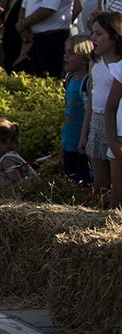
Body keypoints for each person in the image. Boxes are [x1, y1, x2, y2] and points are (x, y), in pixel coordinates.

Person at [91, 12, 122, 205]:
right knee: (113, 197)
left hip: (115, 134)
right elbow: (110, 107)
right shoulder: (116, 68)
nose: (93, 38)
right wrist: (114, 144)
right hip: (116, 134)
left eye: (98, 33)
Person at [63, 36, 94, 186]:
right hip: (68, 141)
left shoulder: (86, 83)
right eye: (66, 53)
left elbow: (89, 112)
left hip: (82, 143)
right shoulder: (69, 79)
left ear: (84, 59)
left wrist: (84, 138)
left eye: (71, 53)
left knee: (85, 180)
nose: (66, 57)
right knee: (71, 180)